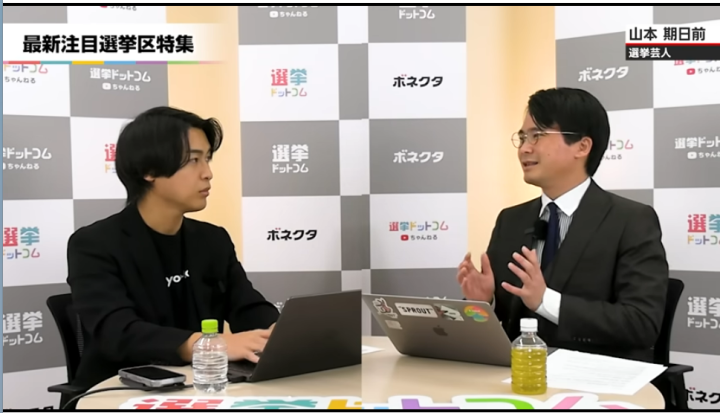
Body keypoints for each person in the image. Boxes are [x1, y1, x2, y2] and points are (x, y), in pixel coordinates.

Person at [66, 107, 280, 390]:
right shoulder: (94, 244)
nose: (207, 173)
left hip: (202, 387)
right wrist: (208, 345)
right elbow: (118, 333)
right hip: (118, 390)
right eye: (193, 160)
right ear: (149, 170)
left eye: (207, 159)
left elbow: (247, 306)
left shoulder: (212, 239)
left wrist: (279, 333)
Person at [457, 87, 668, 363]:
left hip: (594, 377)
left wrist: (546, 301)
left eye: (537, 135)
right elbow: (505, 324)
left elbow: (641, 324)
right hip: (517, 375)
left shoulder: (630, 221)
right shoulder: (510, 219)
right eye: (522, 137)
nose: (525, 148)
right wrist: (483, 303)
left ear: (582, 146)